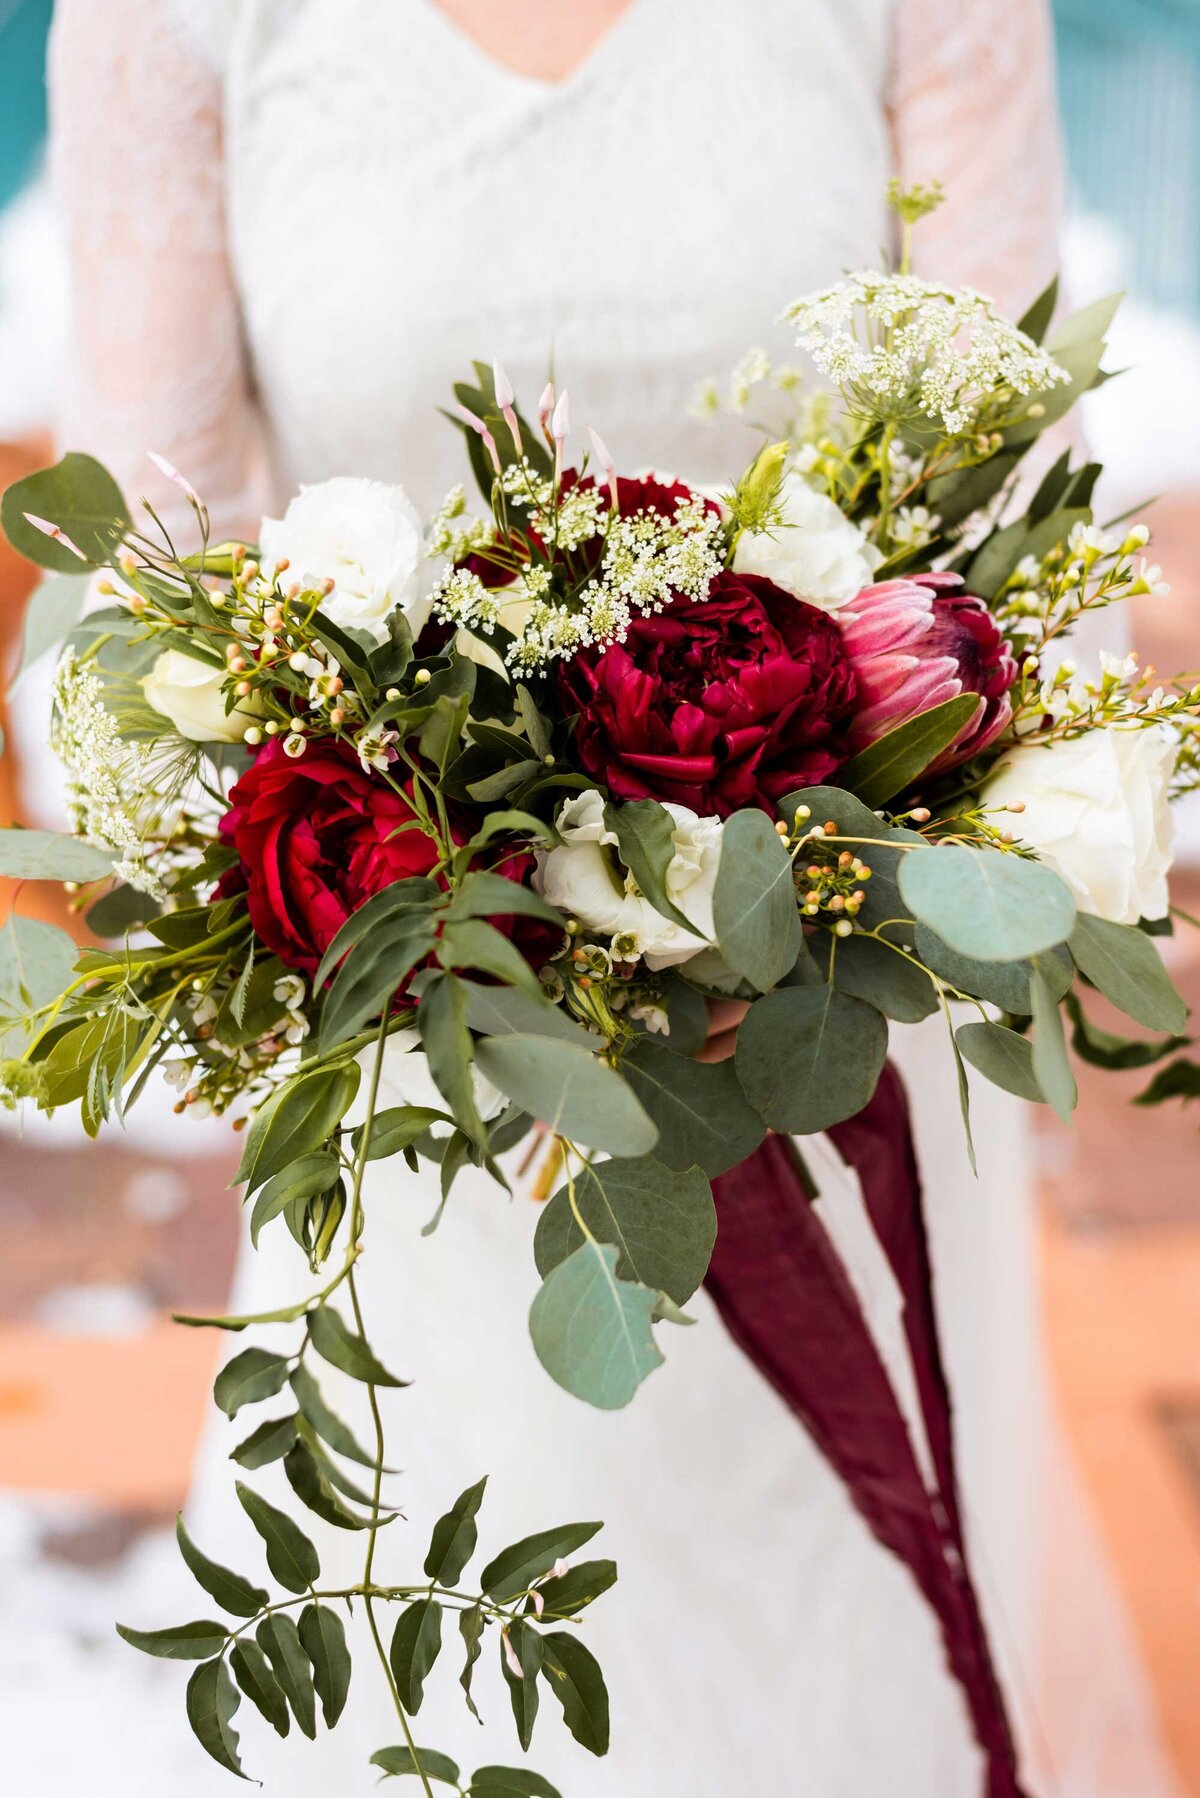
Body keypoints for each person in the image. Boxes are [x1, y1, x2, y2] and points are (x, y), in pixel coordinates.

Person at [44, 2, 1179, 1792]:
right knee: (446, 1614)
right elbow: (135, 623)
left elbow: (1025, 532)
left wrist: (808, 919)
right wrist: (438, 935)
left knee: (845, 1638)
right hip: (435, 1054)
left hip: (835, 1012)